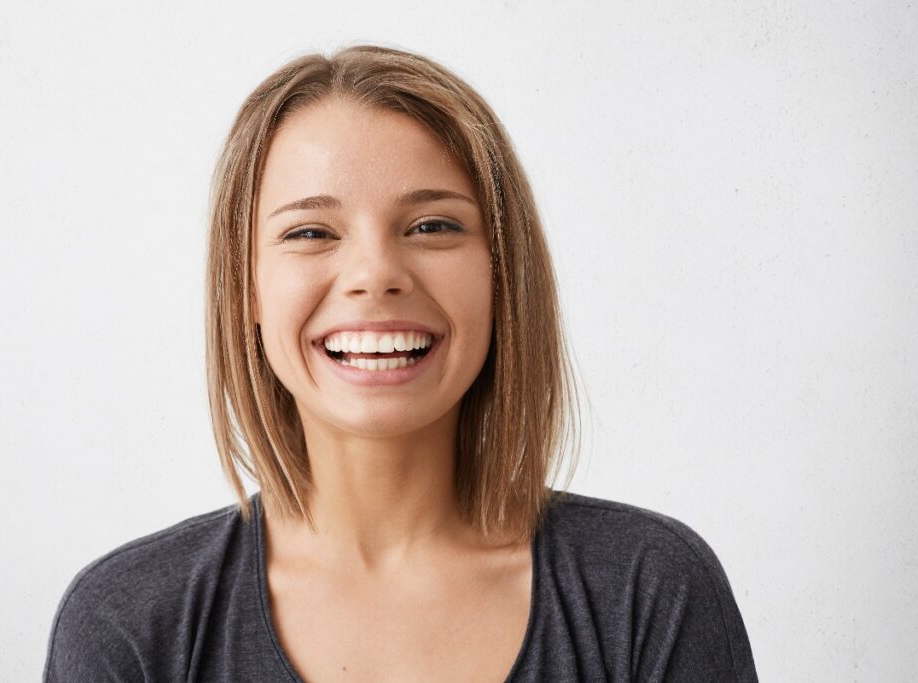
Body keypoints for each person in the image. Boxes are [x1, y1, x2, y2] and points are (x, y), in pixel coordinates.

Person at [43, 45, 758, 682]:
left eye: (432, 225)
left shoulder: (650, 591)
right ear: (245, 287)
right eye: (311, 231)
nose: (375, 273)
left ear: (501, 273)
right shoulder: (126, 625)